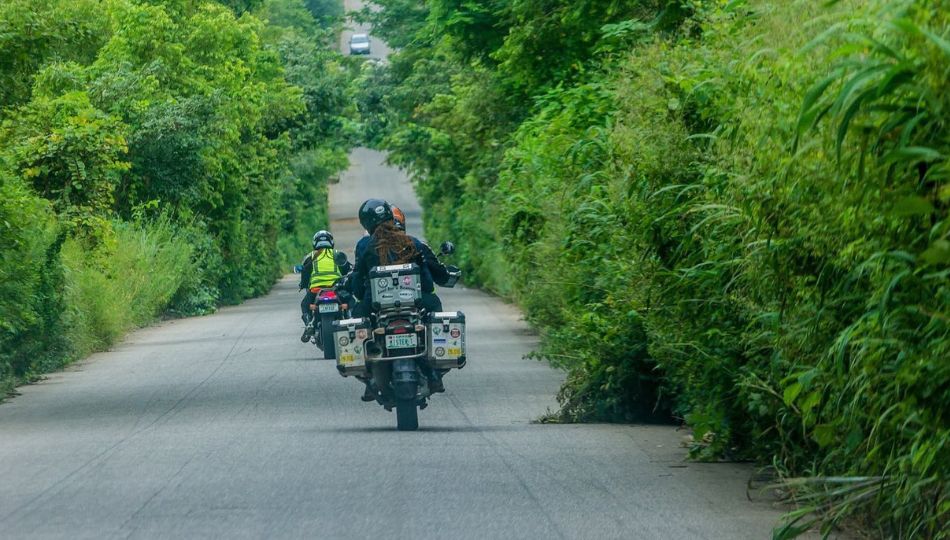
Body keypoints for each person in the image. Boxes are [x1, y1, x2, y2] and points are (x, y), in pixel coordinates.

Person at [350, 199, 447, 396]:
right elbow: (428, 284)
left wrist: (360, 293)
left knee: (358, 313)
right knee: (435, 304)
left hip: (377, 306)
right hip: (413, 303)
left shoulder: (364, 246)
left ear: (366, 223)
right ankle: (434, 373)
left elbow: (357, 286)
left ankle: (369, 376)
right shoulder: (411, 242)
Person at [298, 230, 351, 342]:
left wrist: (302, 285)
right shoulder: (337, 254)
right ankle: (351, 320)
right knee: (351, 301)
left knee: (304, 305)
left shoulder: (310, 256)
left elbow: (305, 274)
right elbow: (347, 270)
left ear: (315, 243)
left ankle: (309, 324)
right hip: (336, 289)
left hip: (316, 290)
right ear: (331, 242)